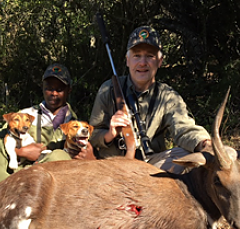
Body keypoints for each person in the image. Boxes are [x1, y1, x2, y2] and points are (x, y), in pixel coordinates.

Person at [0, 63, 94, 228]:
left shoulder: (78, 125)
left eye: (59, 89)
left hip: (39, 187)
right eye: (49, 88)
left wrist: (89, 157)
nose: (53, 93)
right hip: (14, 170)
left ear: (69, 91)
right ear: (42, 88)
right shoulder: (26, 114)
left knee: (60, 158)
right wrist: (20, 151)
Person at [89, 25, 211, 171]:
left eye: (150, 56)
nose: (142, 63)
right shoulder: (108, 89)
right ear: (127, 60)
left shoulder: (168, 96)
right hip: (112, 167)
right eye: (137, 56)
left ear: (160, 61)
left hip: (150, 166)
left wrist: (205, 144)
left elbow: (184, 128)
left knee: (187, 156)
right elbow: (92, 135)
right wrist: (110, 134)